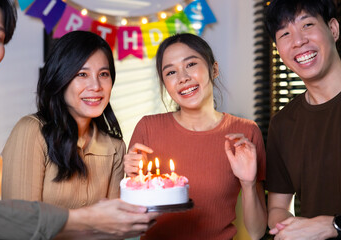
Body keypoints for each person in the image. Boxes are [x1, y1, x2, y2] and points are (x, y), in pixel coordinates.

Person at [0, 0, 158, 239]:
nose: (95, 86)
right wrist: (91, 222)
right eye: (81, 74)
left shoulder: (115, 147)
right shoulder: (32, 132)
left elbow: (114, 230)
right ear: (60, 79)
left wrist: (136, 188)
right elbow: (19, 228)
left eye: (103, 74)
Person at [123, 33, 267, 240]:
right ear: (165, 84)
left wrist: (248, 183)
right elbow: (130, 224)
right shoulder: (147, 128)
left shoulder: (245, 133)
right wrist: (133, 182)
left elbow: (257, 231)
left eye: (190, 64)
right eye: (171, 72)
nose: (182, 78)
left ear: (214, 69)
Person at [264, 0, 341, 239]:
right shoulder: (283, 124)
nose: (298, 41)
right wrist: (289, 228)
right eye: (285, 33)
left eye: (307, 25)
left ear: (334, 29)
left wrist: (333, 226)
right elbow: (278, 207)